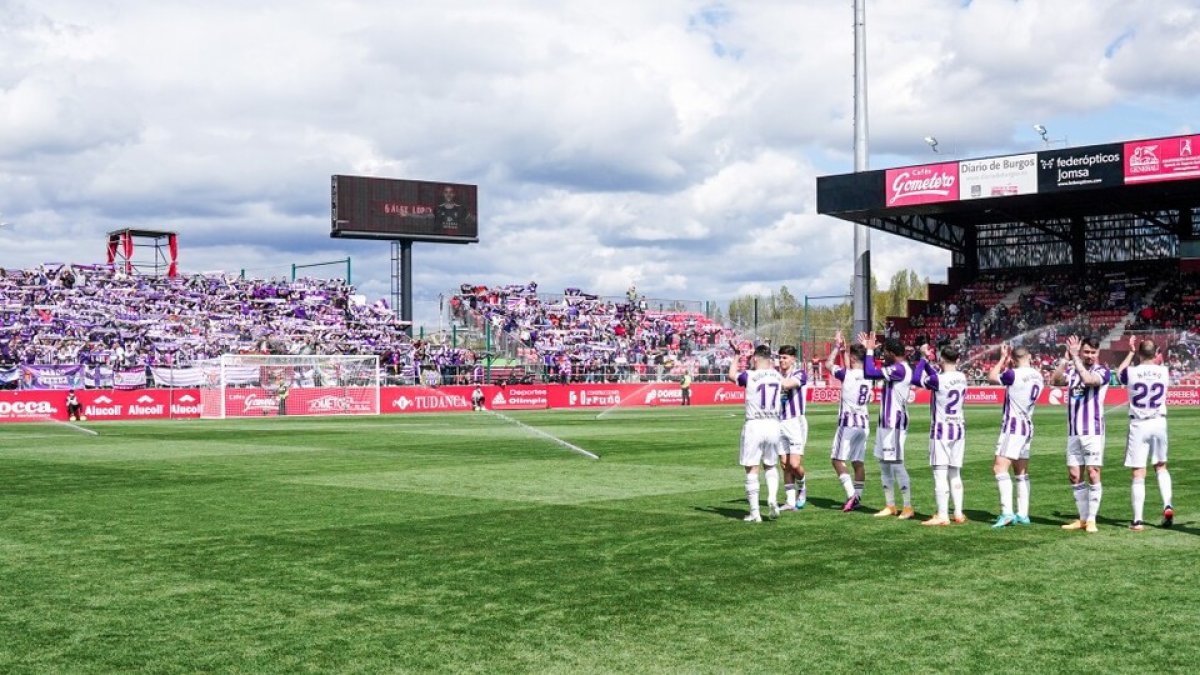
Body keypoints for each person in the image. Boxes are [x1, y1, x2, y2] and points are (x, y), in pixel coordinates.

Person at [729, 344, 799, 522]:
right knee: (770, 465)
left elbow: (731, 375)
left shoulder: (750, 375)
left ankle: (754, 513)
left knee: (752, 468)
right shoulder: (777, 376)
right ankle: (773, 499)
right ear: (770, 359)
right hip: (773, 424)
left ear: (755, 359)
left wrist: (736, 356)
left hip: (755, 424)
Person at [1051, 336, 1110, 533]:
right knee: (1074, 475)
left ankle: (1092, 519)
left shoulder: (1102, 371)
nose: (1090, 356)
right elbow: (1055, 380)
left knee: (1093, 473)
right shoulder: (1072, 371)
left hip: (1093, 431)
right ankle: (1082, 518)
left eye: (1093, 352)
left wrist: (1076, 358)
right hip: (1073, 432)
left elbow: (1089, 380)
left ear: (1098, 353)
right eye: (1087, 352)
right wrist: (1066, 359)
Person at [1117, 336, 1173, 530]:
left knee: (1138, 472)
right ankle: (1167, 503)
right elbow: (1158, 364)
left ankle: (1138, 520)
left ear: (1139, 353)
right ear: (1155, 353)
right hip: (1159, 422)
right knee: (1161, 466)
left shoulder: (1131, 372)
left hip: (1139, 424)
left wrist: (1130, 352)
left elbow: (1119, 373)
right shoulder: (1164, 372)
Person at [860, 333, 916, 519]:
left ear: (892, 353)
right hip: (885, 421)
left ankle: (907, 507)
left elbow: (869, 372)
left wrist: (869, 350)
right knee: (884, 463)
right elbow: (875, 367)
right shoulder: (896, 366)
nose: (883, 355)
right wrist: (870, 349)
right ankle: (890, 505)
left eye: (885, 352)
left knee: (896, 462)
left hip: (895, 423)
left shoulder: (900, 369)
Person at [987, 344, 1042, 528]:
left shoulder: (1012, 374)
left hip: (1013, 426)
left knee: (999, 468)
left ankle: (1007, 512)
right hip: (1027, 425)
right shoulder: (1038, 375)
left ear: (1012, 358)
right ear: (1029, 356)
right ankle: (1023, 514)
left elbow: (992, 377)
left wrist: (1002, 359)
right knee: (1021, 473)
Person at [913, 343, 968, 525]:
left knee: (940, 473)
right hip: (958, 429)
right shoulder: (962, 377)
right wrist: (930, 362)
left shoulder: (938, 380)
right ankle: (958, 513)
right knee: (955, 473)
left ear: (941, 359)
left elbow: (915, 379)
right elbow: (936, 375)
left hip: (941, 430)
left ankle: (943, 515)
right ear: (958, 360)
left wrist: (922, 358)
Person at [826, 331, 870, 512]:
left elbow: (828, 364)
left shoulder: (847, 374)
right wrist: (868, 349)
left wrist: (837, 347)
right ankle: (858, 496)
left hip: (848, 422)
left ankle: (851, 494)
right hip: (864, 423)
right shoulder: (870, 375)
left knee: (837, 460)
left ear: (852, 359)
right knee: (858, 462)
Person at [777, 345, 809, 511]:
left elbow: (788, 385)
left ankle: (802, 487)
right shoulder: (776, 374)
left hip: (795, 422)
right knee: (784, 464)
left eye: (785, 358)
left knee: (794, 464)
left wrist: (770, 378)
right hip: (778, 422)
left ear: (793, 359)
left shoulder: (799, 373)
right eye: (780, 357)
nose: (782, 361)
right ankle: (790, 501)